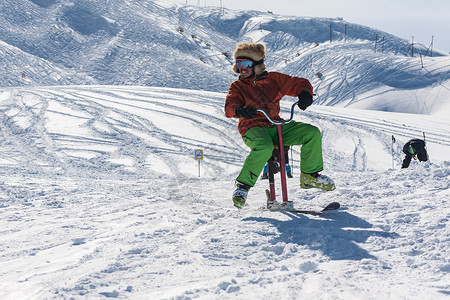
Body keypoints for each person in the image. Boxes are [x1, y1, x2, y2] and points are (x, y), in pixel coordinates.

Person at [224, 42, 335, 208]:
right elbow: (229, 107)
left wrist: (305, 93)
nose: (242, 68)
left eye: (246, 64)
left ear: (257, 65)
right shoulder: (237, 87)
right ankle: (242, 187)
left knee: (311, 133)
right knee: (264, 147)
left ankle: (309, 176)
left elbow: (297, 83)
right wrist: (239, 110)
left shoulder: (273, 80)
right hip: (252, 128)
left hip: (275, 125)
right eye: (239, 64)